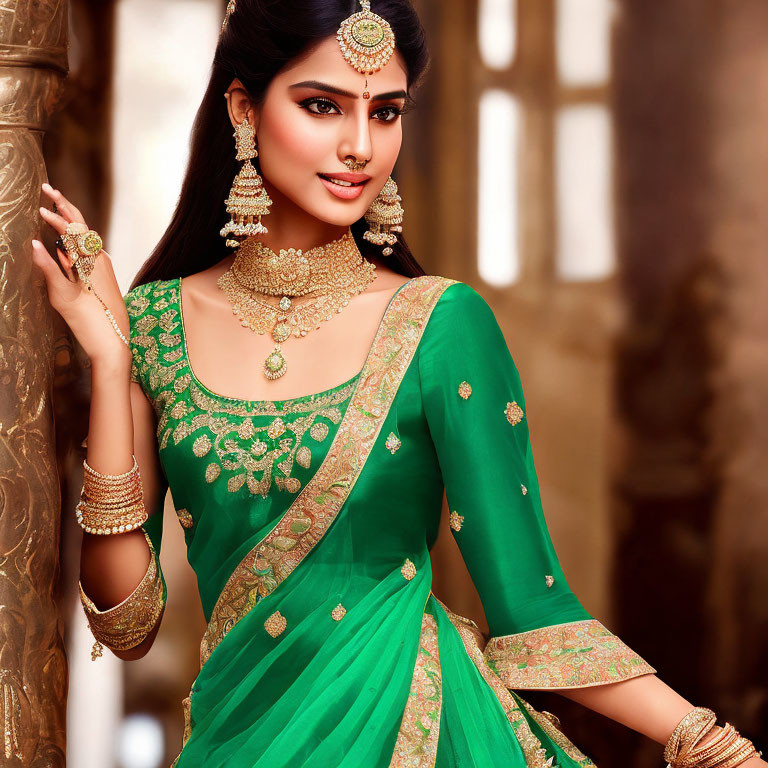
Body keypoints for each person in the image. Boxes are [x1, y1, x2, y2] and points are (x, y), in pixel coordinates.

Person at [31, 1, 765, 766]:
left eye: (385, 113)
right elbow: (126, 624)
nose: (358, 147)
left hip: (422, 731)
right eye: (322, 106)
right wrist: (112, 367)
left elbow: (531, 604)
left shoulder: (440, 326)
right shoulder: (154, 326)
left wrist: (706, 742)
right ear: (243, 107)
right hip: (241, 735)